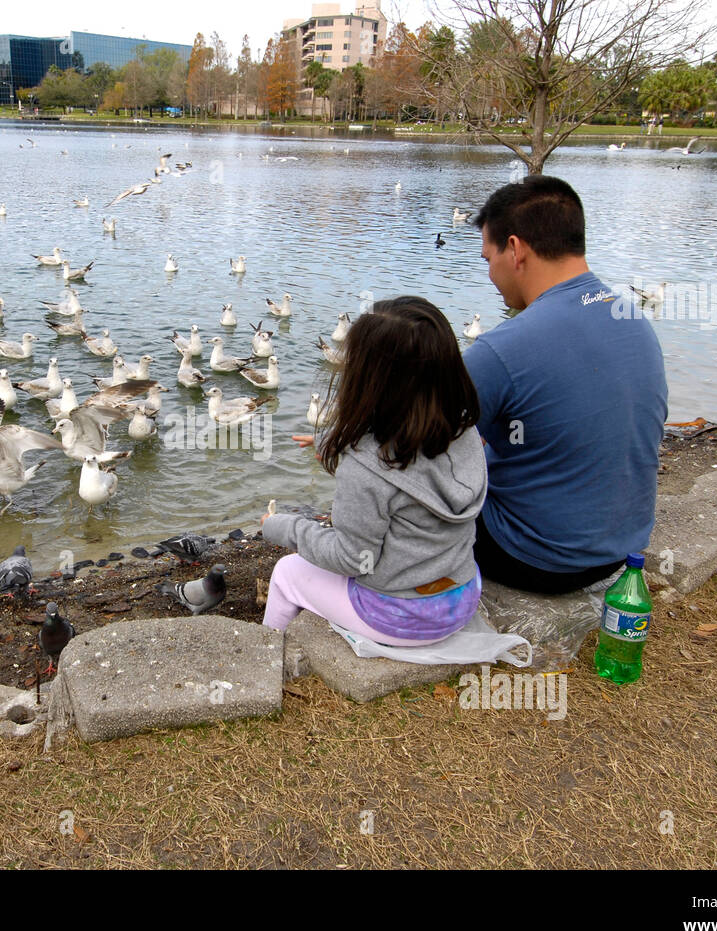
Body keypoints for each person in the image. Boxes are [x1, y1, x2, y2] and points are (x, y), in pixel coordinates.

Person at [464, 175, 667, 594]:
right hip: (619, 552)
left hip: (533, 558)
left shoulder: (503, 347)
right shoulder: (633, 321)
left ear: (516, 249)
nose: (489, 273)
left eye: (488, 258)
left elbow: (418, 444)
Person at [260, 296, 486, 644]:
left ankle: (267, 652)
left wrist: (285, 527)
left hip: (402, 616)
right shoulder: (462, 432)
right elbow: (408, 471)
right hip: (461, 595)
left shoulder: (363, 470)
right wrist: (332, 446)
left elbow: (351, 559)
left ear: (366, 380)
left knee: (287, 573)